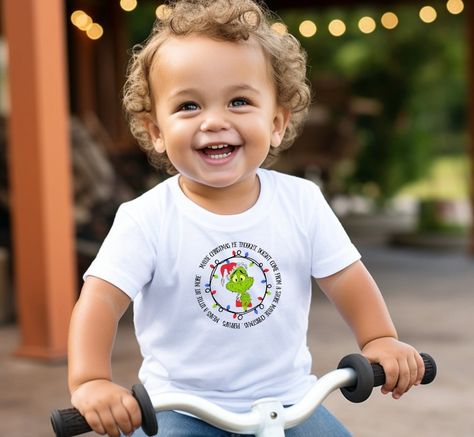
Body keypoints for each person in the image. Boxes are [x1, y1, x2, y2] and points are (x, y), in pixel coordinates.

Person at [67, 1, 426, 436]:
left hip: (290, 402)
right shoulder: (146, 219)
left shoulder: (301, 203)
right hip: (181, 409)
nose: (215, 121)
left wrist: (378, 340)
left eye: (239, 101)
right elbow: (101, 300)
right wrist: (91, 381)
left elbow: (348, 278)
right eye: (188, 107)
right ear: (157, 132)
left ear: (276, 122)